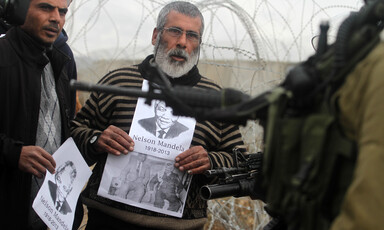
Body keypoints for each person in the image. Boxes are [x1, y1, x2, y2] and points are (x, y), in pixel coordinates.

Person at [70, 1, 246, 229]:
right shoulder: (119, 82)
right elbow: (75, 130)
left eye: (192, 35)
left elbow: (239, 162)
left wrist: (210, 161)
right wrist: (97, 139)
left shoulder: (214, 99)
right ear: (155, 36)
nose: (182, 42)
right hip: (108, 221)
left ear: (199, 44)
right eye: (175, 31)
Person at [0, 0, 78, 229]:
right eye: (45, 7)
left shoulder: (59, 63)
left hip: (49, 218)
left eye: (62, 11)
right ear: (19, 10)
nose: (56, 18)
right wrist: (13, 153)